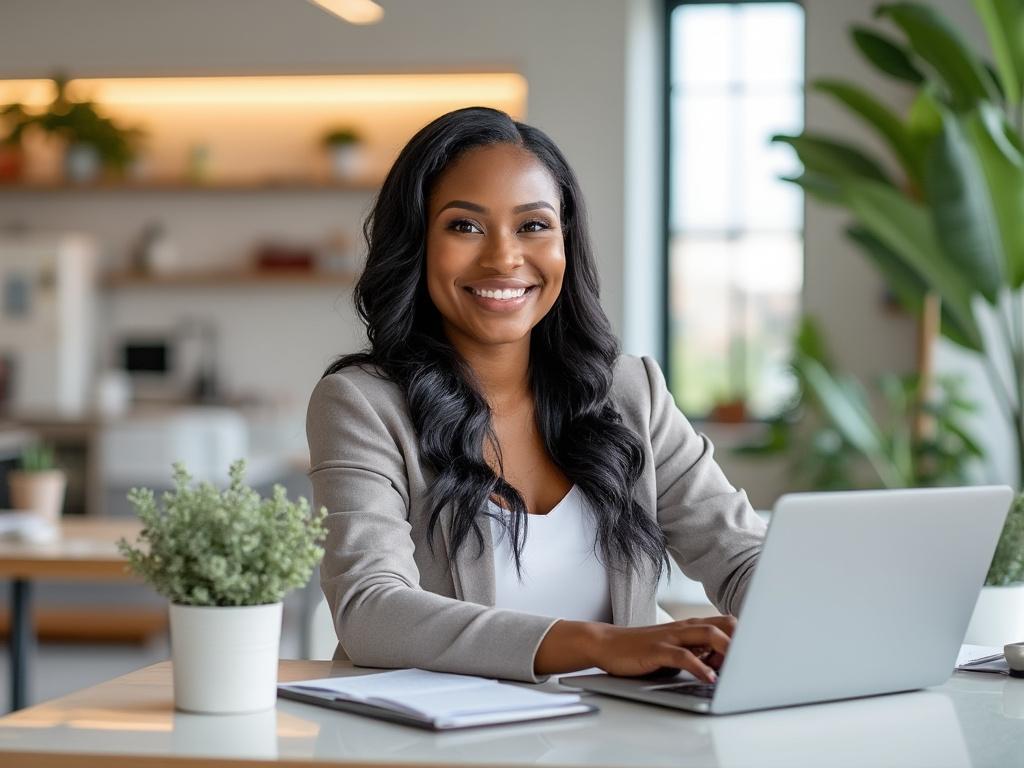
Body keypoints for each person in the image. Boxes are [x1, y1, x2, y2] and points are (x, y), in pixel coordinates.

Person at [307, 106, 766, 684]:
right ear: (418, 242)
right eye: (464, 226)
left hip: (621, 741)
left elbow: (742, 554)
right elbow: (370, 610)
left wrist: (806, 618)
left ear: (564, 242)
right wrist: (601, 645)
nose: (504, 257)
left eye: (533, 225)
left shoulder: (630, 392)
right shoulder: (362, 403)